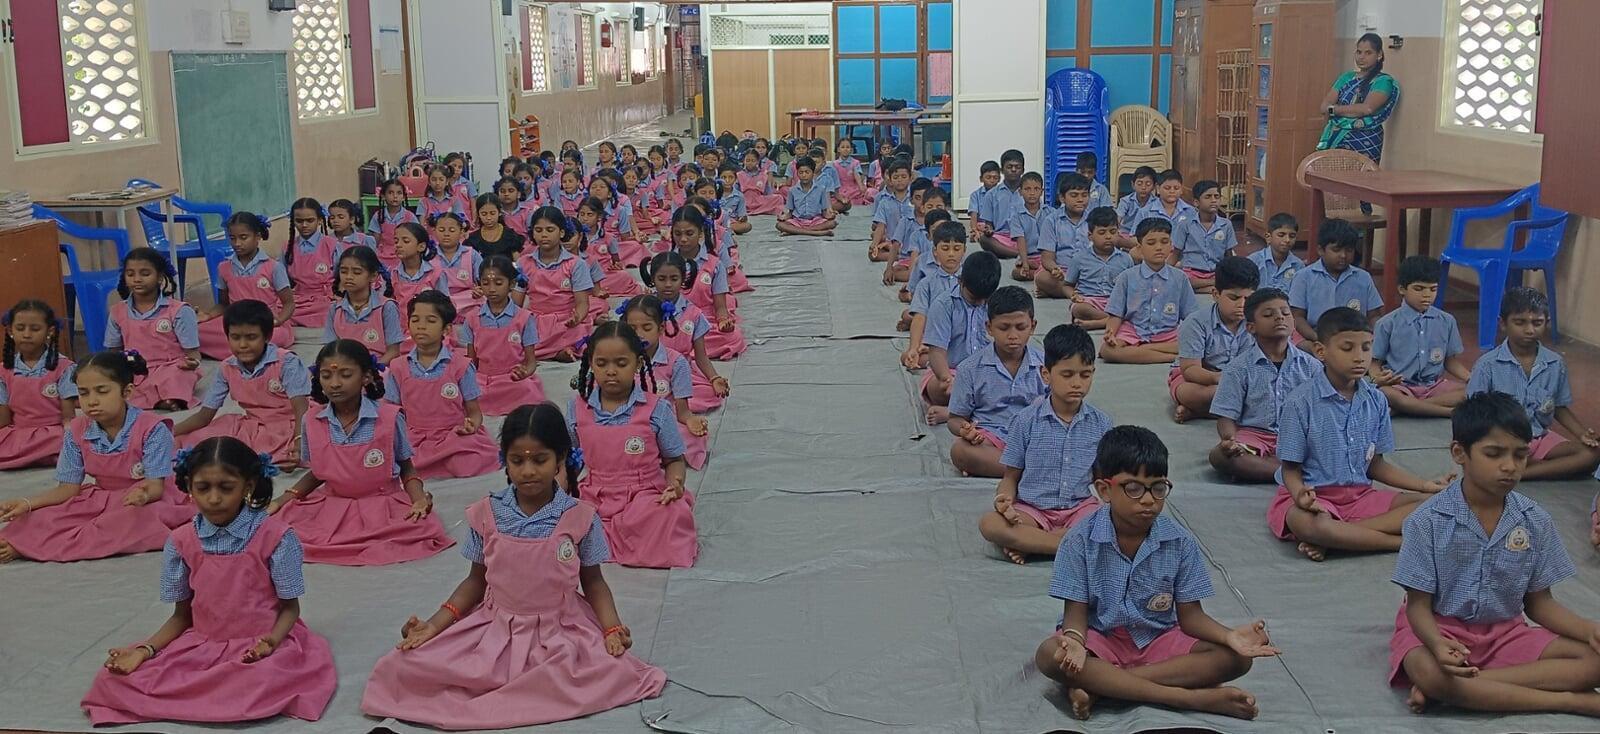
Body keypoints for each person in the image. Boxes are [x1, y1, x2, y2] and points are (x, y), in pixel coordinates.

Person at [360, 404, 666, 729]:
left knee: (611, 671)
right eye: (517, 461)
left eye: (540, 460)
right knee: (400, 666)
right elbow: (475, 582)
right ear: (504, 460)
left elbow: (593, 582)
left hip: (560, 633)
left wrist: (611, 628)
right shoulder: (487, 513)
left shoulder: (580, 517)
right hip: (495, 631)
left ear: (561, 458)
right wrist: (434, 626)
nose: (528, 471)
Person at [80, 438, 336, 726]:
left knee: (262, 680)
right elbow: (181, 617)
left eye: (226, 488)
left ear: (249, 485)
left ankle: (212, 695)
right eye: (203, 488)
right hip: (202, 645)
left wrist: (271, 642)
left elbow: (290, 609)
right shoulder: (180, 541)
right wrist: (144, 651)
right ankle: (213, 695)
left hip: (261, 644)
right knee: (113, 680)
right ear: (189, 487)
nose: (214, 499)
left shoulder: (276, 537)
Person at [1035, 425, 1278, 722]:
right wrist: (1073, 641)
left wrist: (1230, 636)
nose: (1149, 499)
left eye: (1158, 488)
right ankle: (1187, 698)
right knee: (1050, 654)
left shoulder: (1180, 541)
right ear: (1104, 490)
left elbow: (1191, 617)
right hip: (1101, 641)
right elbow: (1075, 616)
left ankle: (1104, 686)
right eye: (1134, 488)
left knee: (1237, 658)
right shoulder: (1078, 540)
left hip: (1159, 639)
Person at [1389, 391, 1600, 716]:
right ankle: (1572, 701)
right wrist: (1436, 644)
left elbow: (1540, 603)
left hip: (1505, 634)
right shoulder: (1426, 521)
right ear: (1459, 453)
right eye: (1494, 453)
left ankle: (1461, 688)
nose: (1509, 466)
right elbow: (1418, 607)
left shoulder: (1535, 520)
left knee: (1594, 661)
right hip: (1439, 631)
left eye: (1520, 455)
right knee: (1428, 670)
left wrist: (1589, 630)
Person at [1270, 307, 1455, 562]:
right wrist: (1301, 495)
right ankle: (1399, 542)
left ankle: (1340, 539)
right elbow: (1290, 469)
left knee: (1437, 505)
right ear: (1321, 351)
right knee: (1312, 525)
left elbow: (1375, 465)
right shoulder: (1300, 403)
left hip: (1361, 497)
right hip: (1316, 500)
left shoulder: (1376, 400)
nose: (1359, 357)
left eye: (1366, 348)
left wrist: (1424, 485)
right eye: (1347, 348)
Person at [269, 339, 454, 565]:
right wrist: (283, 499)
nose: (335, 384)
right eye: (326, 376)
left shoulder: (389, 418)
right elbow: (318, 473)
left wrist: (418, 500)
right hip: (332, 506)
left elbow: (407, 468)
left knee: (418, 529)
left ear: (366, 377)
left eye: (345, 375)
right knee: (283, 528)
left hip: (382, 506)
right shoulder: (311, 420)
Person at [0, 351, 190, 562]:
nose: (91, 401)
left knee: (126, 523)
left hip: (144, 501)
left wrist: (143, 496)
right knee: (40, 517)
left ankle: (31, 547)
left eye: (102, 391)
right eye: (84, 393)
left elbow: (155, 487)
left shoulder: (152, 429)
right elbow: (68, 489)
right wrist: (28, 503)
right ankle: (30, 543)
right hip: (100, 499)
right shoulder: (76, 430)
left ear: (127, 392)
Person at [981, 325, 1112, 564]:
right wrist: (1004, 500)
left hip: (1079, 510)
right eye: (1067, 375)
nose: (1077, 383)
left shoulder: (1101, 424)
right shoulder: (1025, 421)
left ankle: (1035, 544)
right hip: (1032, 511)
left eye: (1085, 375)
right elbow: (1010, 476)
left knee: (1110, 521)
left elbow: (1104, 479)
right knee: (990, 524)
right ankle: (1065, 544)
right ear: (1046, 374)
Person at [569, 321, 696, 569]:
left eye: (621, 363)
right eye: (602, 363)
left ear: (637, 364)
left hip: (644, 497)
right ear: (591, 363)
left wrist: (675, 485)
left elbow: (674, 460)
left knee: (669, 514)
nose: (611, 371)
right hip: (595, 497)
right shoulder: (576, 408)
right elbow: (569, 461)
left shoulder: (657, 409)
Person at [1466, 287, 1600, 480]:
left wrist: (1582, 434)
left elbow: (1558, 406)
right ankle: (1534, 466)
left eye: (1537, 323)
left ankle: (1521, 473)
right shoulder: (1487, 365)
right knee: (1486, 454)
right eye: (1519, 322)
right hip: (1500, 441)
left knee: (1592, 453)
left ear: (1547, 323)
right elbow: (1473, 414)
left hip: (1539, 438)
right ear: (1503, 324)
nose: (1529, 330)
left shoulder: (1555, 363)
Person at [175, 301, 309, 469]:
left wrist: (299, 441)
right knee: (199, 439)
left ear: (267, 336)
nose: (243, 345)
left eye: (251, 337)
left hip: (291, 426)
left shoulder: (286, 362)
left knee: (300, 450)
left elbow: (301, 409)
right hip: (252, 426)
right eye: (235, 337)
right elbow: (204, 416)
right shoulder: (227, 367)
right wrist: (168, 432)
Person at [1208, 289, 1323, 483]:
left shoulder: (1312, 366)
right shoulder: (1238, 368)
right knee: (1220, 456)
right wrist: (1230, 441)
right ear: (1251, 327)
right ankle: (1293, 474)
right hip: (1255, 437)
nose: (1279, 318)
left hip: (1299, 437)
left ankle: (1279, 470)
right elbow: (1226, 416)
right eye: (1269, 315)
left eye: (1285, 313)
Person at [386, 291, 499, 480]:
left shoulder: (461, 366)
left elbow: (474, 412)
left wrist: (471, 426)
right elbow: (391, 413)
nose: (421, 326)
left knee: (469, 461)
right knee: (397, 461)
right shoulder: (398, 367)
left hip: (452, 436)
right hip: (414, 438)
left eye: (430, 321)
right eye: (415, 320)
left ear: (446, 330)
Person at [947, 287, 1046, 478]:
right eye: (1004, 328)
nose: (1013, 335)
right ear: (989, 327)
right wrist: (965, 430)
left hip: (1035, 438)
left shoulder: (1045, 365)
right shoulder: (970, 368)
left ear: (1033, 326)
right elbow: (955, 419)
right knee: (960, 450)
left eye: (1021, 327)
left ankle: (1017, 471)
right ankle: (1033, 472)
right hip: (991, 438)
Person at [1373, 255, 1470, 417]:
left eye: (1433, 289)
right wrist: (1378, 378)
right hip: (1400, 387)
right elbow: (1375, 362)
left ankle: (1409, 408)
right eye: (1419, 289)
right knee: (1385, 393)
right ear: (1402, 289)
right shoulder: (1387, 323)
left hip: (1434, 387)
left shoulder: (1447, 321)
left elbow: (1450, 361)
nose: (1427, 295)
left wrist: (1470, 378)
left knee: (1473, 391)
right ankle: (1447, 412)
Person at [623, 295, 712, 469]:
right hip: (626, 422)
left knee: (690, 438)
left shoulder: (676, 362)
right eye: (632, 329)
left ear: (661, 328)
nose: (639, 334)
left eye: (647, 327)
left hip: (662, 424)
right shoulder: (619, 359)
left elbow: (682, 412)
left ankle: (643, 455)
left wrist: (690, 420)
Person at [107, 247, 200, 411]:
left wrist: (193, 363)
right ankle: (163, 400)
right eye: (130, 274)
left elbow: (193, 353)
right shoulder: (117, 311)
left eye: (145, 274)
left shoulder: (179, 310)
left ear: (160, 277)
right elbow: (113, 352)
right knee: (112, 382)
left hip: (169, 367)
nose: (137, 279)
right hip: (135, 370)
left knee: (178, 376)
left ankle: (166, 397)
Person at [1169, 256, 1258, 422]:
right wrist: (1218, 378)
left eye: (1248, 298)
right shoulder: (1196, 322)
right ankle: (1226, 410)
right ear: (1216, 294)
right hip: (1201, 379)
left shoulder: (1257, 322)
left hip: (1242, 381)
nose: (1242, 305)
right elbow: (1190, 369)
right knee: (1193, 393)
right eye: (1234, 298)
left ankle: (1198, 412)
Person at [1100, 219, 1197, 365]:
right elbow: (1116, 313)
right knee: (1107, 350)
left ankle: (1144, 350)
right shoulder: (1127, 277)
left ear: (1171, 245)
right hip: (1134, 331)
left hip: (1168, 334)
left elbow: (1191, 315)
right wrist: (1111, 333)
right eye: (1151, 243)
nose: (1159, 247)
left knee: (1196, 345)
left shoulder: (1180, 278)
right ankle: (1171, 358)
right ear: (1139, 248)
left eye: (1164, 242)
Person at [919, 252, 1000, 424]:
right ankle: (973, 411)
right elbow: (937, 352)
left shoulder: (996, 304)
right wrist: (946, 378)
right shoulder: (943, 305)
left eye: (984, 299)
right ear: (960, 281)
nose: (979, 303)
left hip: (986, 373)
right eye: (973, 297)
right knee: (941, 389)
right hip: (952, 372)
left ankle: (953, 413)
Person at [642, 251, 734, 400]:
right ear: (653, 279)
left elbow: (701, 356)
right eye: (661, 279)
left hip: (682, 371)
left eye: (674, 279)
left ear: (683, 279)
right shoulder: (641, 309)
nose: (668, 284)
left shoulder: (693, 313)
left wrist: (714, 378)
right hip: (647, 371)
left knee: (709, 394)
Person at [459, 256, 544, 414]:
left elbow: (531, 362)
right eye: (485, 283)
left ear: (511, 284)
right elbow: (471, 361)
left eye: (498, 283)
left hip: (511, 379)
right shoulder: (472, 318)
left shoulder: (524, 318)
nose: (491, 289)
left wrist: (524, 372)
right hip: (483, 380)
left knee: (526, 388)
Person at [0, 299, 76, 469]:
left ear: (50, 331)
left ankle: (29, 457)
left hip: (52, 434)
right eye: (20, 328)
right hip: (19, 434)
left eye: (35, 329)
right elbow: (3, 420)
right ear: (10, 331)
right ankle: (37, 456)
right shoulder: (3, 371)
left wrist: (71, 436)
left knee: (74, 439)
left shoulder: (64, 367)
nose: (27, 334)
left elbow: (68, 417)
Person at [515, 206, 595, 361]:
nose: (544, 235)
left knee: (579, 333)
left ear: (562, 232)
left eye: (550, 230)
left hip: (565, 321)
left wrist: (576, 318)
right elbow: (516, 303)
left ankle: (562, 351)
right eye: (538, 230)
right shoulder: (523, 262)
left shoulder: (576, 264)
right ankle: (558, 351)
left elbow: (582, 303)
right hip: (535, 320)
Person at [667, 206, 745, 359]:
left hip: (706, 321)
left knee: (733, 336)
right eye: (678, 234)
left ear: (701, 232)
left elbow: (720, 307)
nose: (683, 239)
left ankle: (683, 350)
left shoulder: (714, 264)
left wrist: (723, 322)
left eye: (689, 233)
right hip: (675, 320)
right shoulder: (666, 262)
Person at [1288, 218, 1384, 344]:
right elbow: (1297, 317)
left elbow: (1374, 316)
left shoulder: (1363, 277)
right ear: (1321, 250)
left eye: (1349, 250)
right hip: (1316, 337)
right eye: (1336, 250)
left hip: (1355, 339)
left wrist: (1373, 337)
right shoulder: (1303, 277)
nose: (1343, 255)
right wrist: (1317, 338)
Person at [1318, 33, 1400, 164]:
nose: (1361, 57)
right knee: (1334, 173)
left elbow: (1366, 109)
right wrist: (1350, 111)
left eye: (1368, 53)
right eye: (1359, 52)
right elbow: (1324, 106)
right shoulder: (1346, 77)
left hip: (1365, 139)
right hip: (1336, 136)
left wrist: (1334, 110)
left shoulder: (1383, 81)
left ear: (1379, 54)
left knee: (1362, 175)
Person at [900, 222, 967, 371]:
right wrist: (913, 347)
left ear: (964, 250)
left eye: (957, 249)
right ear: (935, 251)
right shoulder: (926, 284)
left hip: (964, 339)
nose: (951, 254)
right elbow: (920, 317)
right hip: (935, 338)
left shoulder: (971, 280)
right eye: (945, 248)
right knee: (908, 357)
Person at [322, 245, 404, 364]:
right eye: (344, 271)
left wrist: (372, 370)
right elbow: (330, 350)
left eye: (357, 272)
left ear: (373, 276)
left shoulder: (386, 307)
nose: (349, 277)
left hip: (378, 368)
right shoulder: (334, 309)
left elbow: (393, 351)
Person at [1058, 208, 1134, 330]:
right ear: (1090, 236)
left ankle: (1096, 324)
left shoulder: (1126, 258)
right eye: (1102, 233)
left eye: (1113, 232)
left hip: (1115, 301)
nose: (1108, 236)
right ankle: (1113, 321)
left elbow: (1131, 287)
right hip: (1090, 300)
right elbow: (1067, 285)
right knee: (1079, 308)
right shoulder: (1079, 258)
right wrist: (1073, 295)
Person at [388, 223, 451, 352]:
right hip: (402, 331)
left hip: (431, 329)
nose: (398, 245)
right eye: (396, 241)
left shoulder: (435, 274)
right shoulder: (393, 274)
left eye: (405, 241)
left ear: (421, 246)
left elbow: (445, 306)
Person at [283, 198, 343, 328]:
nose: (304, 225)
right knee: (277, 309)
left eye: (310, 220)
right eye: (299, 221)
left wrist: (338, 294)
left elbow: (341, 275)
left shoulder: (331, 245)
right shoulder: (287, 247)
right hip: (298, 298)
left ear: (320, 220)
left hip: (324, 299)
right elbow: (282, 279)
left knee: (334, 310)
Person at [1033, 173, 1092, 298]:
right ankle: (1085, 293)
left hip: (1089, 272)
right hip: (1063, 272)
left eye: (1084, 195)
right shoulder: (1051, 221)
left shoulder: (1094, 219)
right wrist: (1055, 269)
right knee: (1042, 278)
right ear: (1062, 198)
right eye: (1074, 195)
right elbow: (1047, 258)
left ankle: (1065, 292)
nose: (1080, 199)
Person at [1174, 180, 1236, 294]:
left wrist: (1229, 274)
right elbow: (1176, 254)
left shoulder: (1226, 225)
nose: (1213, 200)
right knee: (1181, 280)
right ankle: (1211, 286)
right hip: (1191, 273)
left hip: (1215, 272)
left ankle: (1200, 289)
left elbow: (1229, 255)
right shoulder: (1185, 225)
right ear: (1196, 202)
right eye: (1208, 197)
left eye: (1216, 196)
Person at [1127, 170, 1195, 255]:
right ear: (1158, 189)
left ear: (1181, 190)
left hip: (1181, 255)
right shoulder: (1145, 211)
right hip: (1154, 253)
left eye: (1176, 188)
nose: (1172, 191)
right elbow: (1133, 237)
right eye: (1167, 188)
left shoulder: (1191, 211)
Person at [430, 211, 484, 313]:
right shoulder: (429, 255)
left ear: (461, 232)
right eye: (441, 230)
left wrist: (480, 290)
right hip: (438, 301)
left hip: (468, 299)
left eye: (452, 230)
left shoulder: (472, 254)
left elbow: (483, 280)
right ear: (434, 231)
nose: (446, 234)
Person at [976, 149, 1026, 258]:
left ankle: (1011, 253)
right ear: (1002, 170)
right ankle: (1020, 255)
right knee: (984, 239)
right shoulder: (991, 195)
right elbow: (989, 224)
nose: (1013, 170)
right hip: (1002, 237)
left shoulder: (1030, 193)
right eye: (1009, 167)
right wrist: (988, 230)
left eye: (1017, 167)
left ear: (1023, 170)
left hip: (1024, 237)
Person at [776, 157, 838, 236]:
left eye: (807, 172)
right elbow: (790, 212)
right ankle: (816, 232)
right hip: (798, 221)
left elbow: (824, 212)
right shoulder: (792, 190)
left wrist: (830, 216)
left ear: (813, 173)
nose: (804, 175)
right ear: (797, 173)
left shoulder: (821, 189)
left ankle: (794, 231)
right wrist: (783, 217)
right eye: (801, 172)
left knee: (832, 223)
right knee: (779, 225)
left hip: (815, 221)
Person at [1007, 172, 1051, 282]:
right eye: (1027, 189)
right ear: (1020, 192)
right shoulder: (1016, 215)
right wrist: (1025, 262)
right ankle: (1040, 273)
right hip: (1029, 256)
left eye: (1036, 189)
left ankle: (1042, 272)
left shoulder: (1051, 213)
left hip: (1048, 256)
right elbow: (1020, 239)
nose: (1032, 193)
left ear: (1042, 191)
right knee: (1017, 273)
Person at [868, 159, 914, 261]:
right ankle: (900, 256)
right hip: (892, 242)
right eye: (896, 177)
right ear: (890, 179)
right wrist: (874, 244)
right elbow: (881, 226)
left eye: (904, 177)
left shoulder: (915, 199)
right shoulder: (884, 202)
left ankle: (901, 256)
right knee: (873, 254)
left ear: (910, 178)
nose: (900, 180)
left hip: (912, 243)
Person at [367, 179, 419, 269]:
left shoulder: (410, 216)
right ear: (383, 196)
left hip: (404, 255)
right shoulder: (378, 216)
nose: (395, 196)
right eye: (390, 193)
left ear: (403, 197)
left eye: (399, 193)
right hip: (383, 255)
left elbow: (416, 237)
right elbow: (376, 241)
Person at [465, 192, 527, 262]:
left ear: (499, 212)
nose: (488, 218)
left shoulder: (510, 236)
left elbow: (518, 263)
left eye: (492, 213)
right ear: (478, 214)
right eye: (484, 214)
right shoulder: (472, 239)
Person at [1250, 212, 1303, 293]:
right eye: (1281, 235)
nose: (1287, 240)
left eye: (1292, 236)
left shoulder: (1298, 266)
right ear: (1268, 237)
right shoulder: (1254, 261)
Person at [1114, 166, 1157, 250]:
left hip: (1145, 235)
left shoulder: (1157, 203)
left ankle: (1131, 247)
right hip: (1126, 234)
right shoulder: (1126, 201)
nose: (1143, 187)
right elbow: (1118, 219)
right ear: (1133, 185)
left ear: (1154, 186)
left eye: (1148, 184)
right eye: (1139, 184)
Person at [416, 163, 468, 232]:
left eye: (441, 179)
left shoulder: (454, 201)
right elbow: (421, 226)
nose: (437, 183)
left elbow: (461, 221)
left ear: (447, 182)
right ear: (429, 182)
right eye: (434, 179)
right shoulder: (423, 202)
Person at [827, 138, 871, 210]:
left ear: (851, 149)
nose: (845, 149)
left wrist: (861, 187)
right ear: (838, 149)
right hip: (839, 190)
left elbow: (859, 178)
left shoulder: (855, 163)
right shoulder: (834, 164)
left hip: (853, 190)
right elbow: (832, 182)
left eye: (848, 147)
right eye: (842, 147)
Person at [737, 148, 784, 215]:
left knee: (779, 198)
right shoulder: (739, 175)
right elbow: (735, 191)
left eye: (753, 161)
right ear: (744, 161)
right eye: (747, 160)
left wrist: (770, 197)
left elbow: (768, 192)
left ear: (757, 161)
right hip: (744, 201)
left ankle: (758, 209)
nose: (750, 163)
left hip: (759, 200)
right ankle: (762, 210)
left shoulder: (763, 175)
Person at [968, 160, 1002, 225]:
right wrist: (974, 229)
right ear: (981, 179)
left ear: (999, 179)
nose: (992, 180)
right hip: (981, 226)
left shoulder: (1002, 194)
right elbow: (973, 215)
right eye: (988, 177)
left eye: (995, 178)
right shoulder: (975, 195)